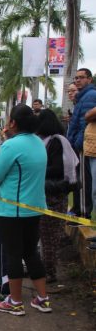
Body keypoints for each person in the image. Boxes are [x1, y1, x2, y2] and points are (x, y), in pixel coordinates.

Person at [0, 104, 50, 316]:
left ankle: (15, 301)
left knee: (13, 255)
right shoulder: (38, 143)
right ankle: (42, 298)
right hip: (34, 208)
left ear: (13, 123)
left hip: (11, 210)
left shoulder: (12, 145)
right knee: (31, 252)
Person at [37, 109, 78, 283]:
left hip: (54, 194)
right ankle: (44, 270)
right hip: (48, 193)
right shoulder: (48, 141)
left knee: (49, 237)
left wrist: (36, 171)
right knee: (45, 236)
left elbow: (58, 169)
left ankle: (50, 273)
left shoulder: (57, 142)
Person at [67, 68, 96, 218]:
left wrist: (77, 144)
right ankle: (79, 211)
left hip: (84, 146)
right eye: (76, 78)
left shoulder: (90, 96)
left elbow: (85, 124)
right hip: (79, 145)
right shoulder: (82, 97)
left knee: (84, 183)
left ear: (89, 79)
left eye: (82, 77)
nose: (78, 80)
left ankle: (83, 214)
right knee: (79, 181)